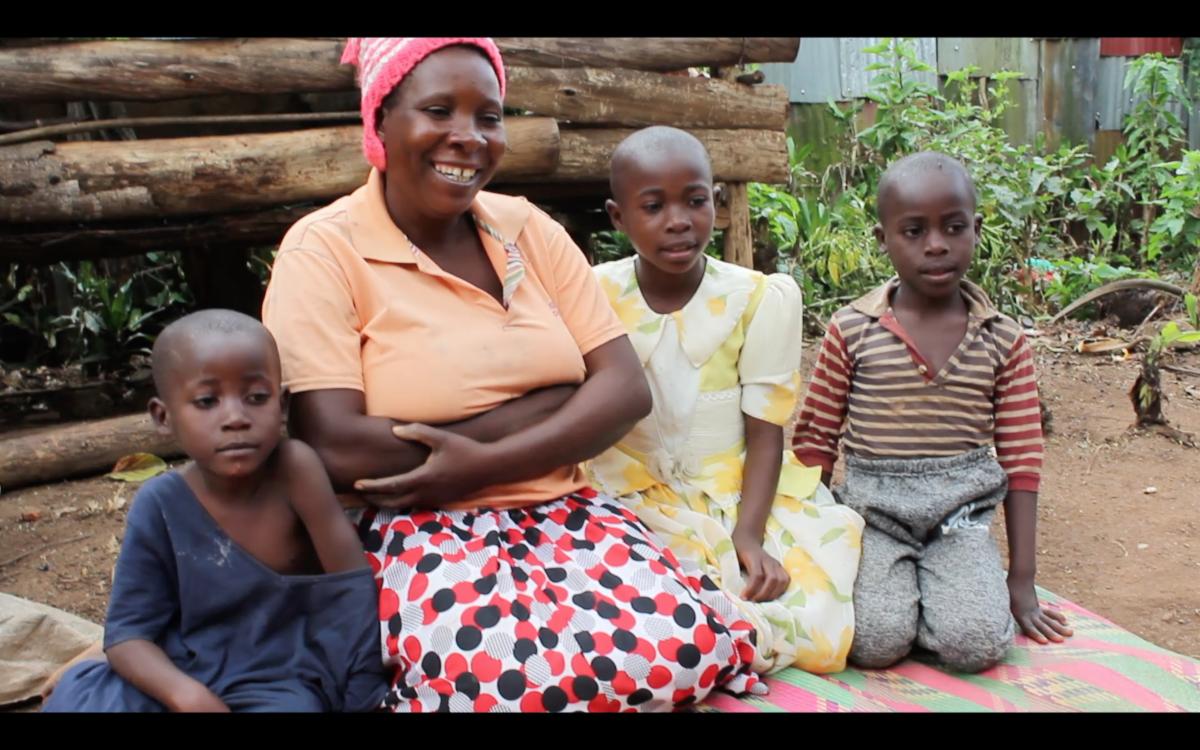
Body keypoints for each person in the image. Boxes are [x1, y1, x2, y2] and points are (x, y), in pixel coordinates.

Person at [261, 38, 761, 712]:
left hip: (566, 510)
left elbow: (622, 391)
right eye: (439, 110)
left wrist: (477, 459)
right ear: (380, 121)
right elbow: (338, 444)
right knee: (508, 682)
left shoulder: (526, 226)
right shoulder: (324, 250)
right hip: (417, 525)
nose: (467, 138)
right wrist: (553, 401)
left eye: (488, 116)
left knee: (682, 650)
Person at [588, 127, 864, 675]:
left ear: (716, 203)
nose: (678, 220)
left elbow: (765, 434)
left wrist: (748, 534)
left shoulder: (755, 299)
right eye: (653, 206)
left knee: (817, 625)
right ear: (619, 218)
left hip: (734, 494)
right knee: (625, 607)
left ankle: (720, 640)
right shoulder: (594, 293)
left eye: (695, 200)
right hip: (626, 496)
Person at [791, 151, 1073, 673]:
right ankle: (917, 600)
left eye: (953, 227)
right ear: (883, 239)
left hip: (961, 520)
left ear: (976, 229)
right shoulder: (852, 330)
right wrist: (812, 549)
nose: (937, 244)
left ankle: (945, 597)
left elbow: (1022, 458)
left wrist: (1022, 581)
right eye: (914, 231)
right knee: (873, 643)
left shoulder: (1003, 338)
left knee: (980, 645)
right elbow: (815, 440)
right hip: (873, 516)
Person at [42, 309, 386, 712]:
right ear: (163, 417)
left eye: (257, 398)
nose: (236, 418)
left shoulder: (296, 471)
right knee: (79, 700)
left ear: (283, 404)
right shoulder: (159, 503)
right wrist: (187, 696)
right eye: (207, 401)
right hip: (182, 668)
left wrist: (361, 695)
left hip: (279, 677)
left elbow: (352, 592)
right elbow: (128, 635)